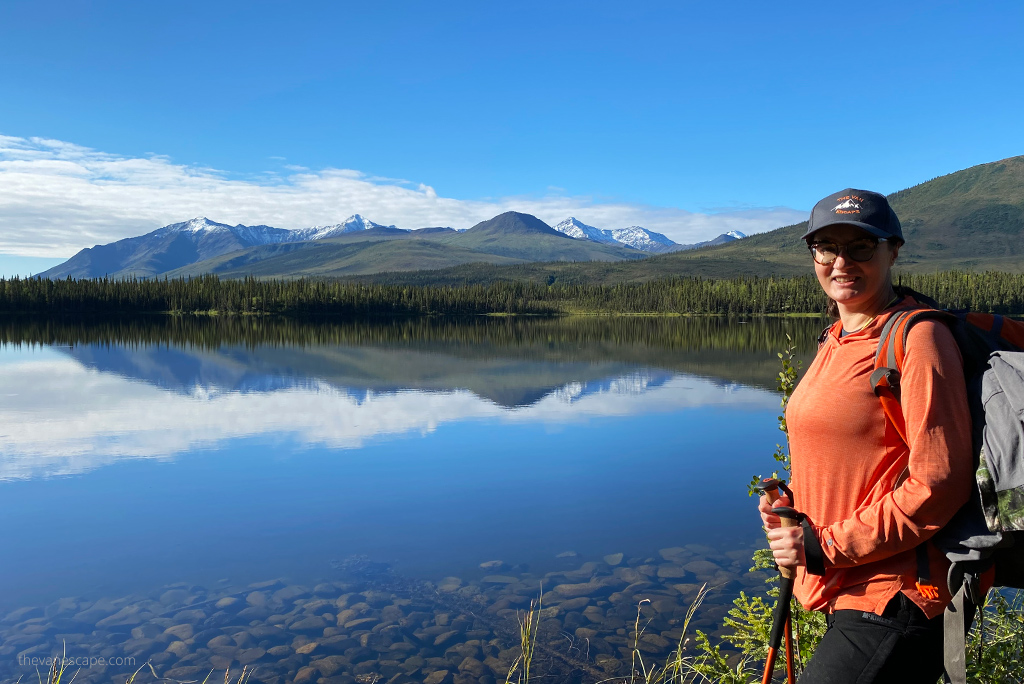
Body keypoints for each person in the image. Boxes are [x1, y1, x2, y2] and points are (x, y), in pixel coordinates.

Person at [758, 189, 973, 683]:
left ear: (892, 250)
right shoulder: (835, 338)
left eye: (860, 247)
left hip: (900, 595)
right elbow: (857, 457)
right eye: (826, 247)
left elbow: (939, 484)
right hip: (851, 585)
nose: (840, 262)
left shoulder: (918, 339)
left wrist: (824, 545)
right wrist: (793, 502)